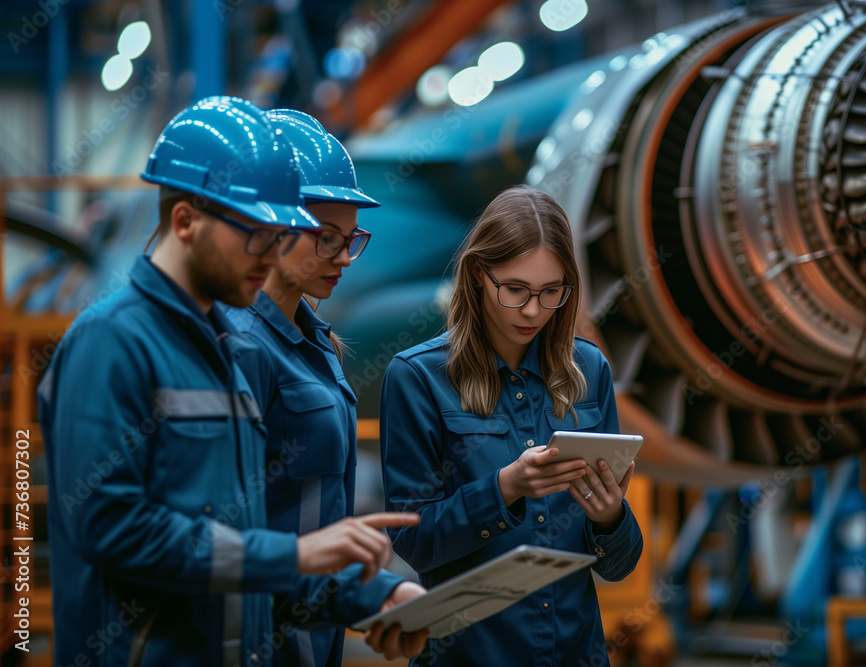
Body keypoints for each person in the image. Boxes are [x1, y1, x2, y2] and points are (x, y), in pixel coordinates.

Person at [38, 96, 422, 667]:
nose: (270, 255)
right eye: (257, 234)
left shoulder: (219, 347)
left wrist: (375, 594)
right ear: (185, 221)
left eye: (280, 235)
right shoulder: (111, 340)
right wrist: (293, 556)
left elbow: (242, 551)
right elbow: (111, 527)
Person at [379, 184, 644, 666]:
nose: (532, 311)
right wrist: (504, 489)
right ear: (479, 274)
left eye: (551, 293)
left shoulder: (590, 372)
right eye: (516, 289)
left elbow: (619, 566)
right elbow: (414, 542)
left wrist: (610, 518)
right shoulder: (417, 377)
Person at [225, 108, 428, 666]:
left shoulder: (317, 344)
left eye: (351, 238)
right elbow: (230, 544)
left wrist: (378, 590)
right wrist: (372, 593)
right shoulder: (237, 347)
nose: (343, 258)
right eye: (325, 238)